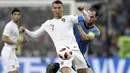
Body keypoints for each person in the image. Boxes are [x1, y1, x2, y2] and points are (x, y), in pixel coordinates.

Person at [20, 0, 90, 73]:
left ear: (63, 8)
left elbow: (87, 19)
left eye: (59, 8)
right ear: (52, 9)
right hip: (63, 53)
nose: (57, 10)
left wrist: (83, 11)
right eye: (55, 8)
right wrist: (25, 31)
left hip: (76, 51)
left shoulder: (69, 18)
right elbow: (34, 35)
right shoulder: (48, 24)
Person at [46, 7, 100, 73]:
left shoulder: (95, 31)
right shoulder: (78, 19)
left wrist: (78, 24)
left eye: (91, 17)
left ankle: (57, 65)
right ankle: (58, 64)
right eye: (88, 16)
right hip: (68, 52)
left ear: (95, 18)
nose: (88, 18)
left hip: (79, 55)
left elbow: (85, 37)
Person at [1, 8, 26, 73]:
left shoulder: (15, 26)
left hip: (12, 52)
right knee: (12, 71)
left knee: (16, 71)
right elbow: (4, 38)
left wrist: (21, 41)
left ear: (20, 16)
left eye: (18, 14)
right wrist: (15, 43)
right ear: (11, 16)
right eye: (15, 14)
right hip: (8, 52)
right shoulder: (9, 25)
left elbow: (13, 38)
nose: (17, 16)